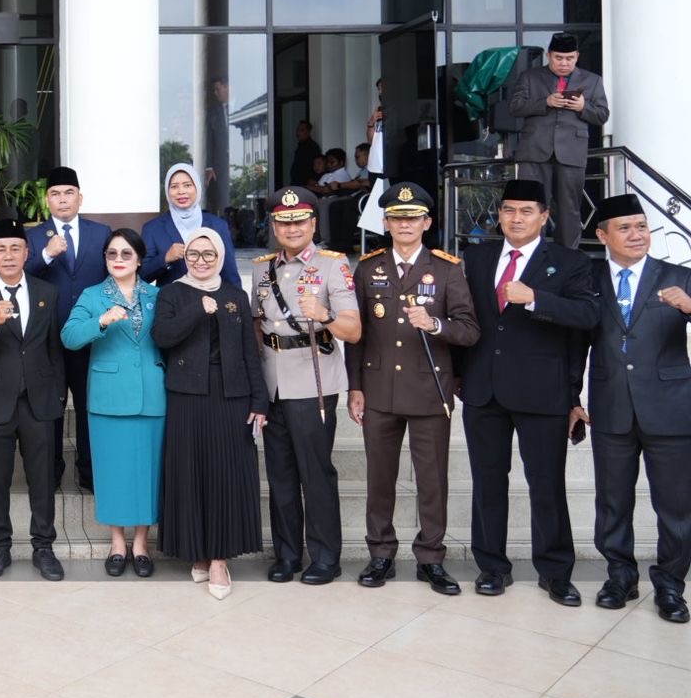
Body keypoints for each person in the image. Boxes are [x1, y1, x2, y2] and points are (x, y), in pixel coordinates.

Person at [458, 179, 600, 604]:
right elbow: (465, 317)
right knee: (487, 481)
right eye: (508, 210)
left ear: (544, 216)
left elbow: (588, 315)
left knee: (546, 484)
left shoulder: (570, 261)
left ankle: (555, 572)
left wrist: (536, 297)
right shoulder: (476, 257)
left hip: (543, 391)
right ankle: (491, 567)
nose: (516, 218)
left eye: (526, 211)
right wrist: (459, 377)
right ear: (499, 215)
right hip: (483, 390)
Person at [345, 183, 480, 596]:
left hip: (429, 390)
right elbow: (357, 334)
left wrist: (435, 324)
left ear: (427, 222)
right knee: (379, 478)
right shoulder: (368, 267)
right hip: (379, 389)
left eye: (413, 217)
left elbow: (470, 330)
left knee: (432, 480)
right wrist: (355, 387)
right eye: (397, 218)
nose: (405, 224)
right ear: (386, 223)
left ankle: (431, 557)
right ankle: (381, 552)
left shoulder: (447, 268)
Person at [584, 194, 691, 623]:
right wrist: (572, 398)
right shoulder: (589, 279)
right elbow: (572, 343)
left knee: (676, 506)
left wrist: (689, 306)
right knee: (612, 501)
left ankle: (671, 586)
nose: (636, 235)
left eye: (642, 226)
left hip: (670, 408)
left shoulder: (679, 276)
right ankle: (620, 577)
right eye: (625, 228)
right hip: (611, 406)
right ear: (602, 235)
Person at [252, 186, 361, 585]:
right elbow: (257, 325)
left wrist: (325, 314)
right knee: (280, 476)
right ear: (274, 226)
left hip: (313, 381)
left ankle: (326, 557)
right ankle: (287, 555)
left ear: (313, 224)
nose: (292, 228)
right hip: (273, 383)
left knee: (315, 474)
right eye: (284, 222)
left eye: (299, 221)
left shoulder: (333, 265)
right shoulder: (262, 269)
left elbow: (353, 329)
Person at [155, 227, 268, 600]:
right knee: (191, 474)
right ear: (185, 257)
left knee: (224, 475)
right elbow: (162, 337)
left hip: (230, 394)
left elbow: (250, 351)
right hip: (186, 395)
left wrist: (259, 401)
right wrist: (196, 310)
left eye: (209, 254)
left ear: (220, 257)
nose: (201, 261)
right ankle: (198, 551)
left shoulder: (235, 295)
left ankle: (219, 558)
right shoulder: (172, 293)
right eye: (193, 254)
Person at [0, 217, 67, 581]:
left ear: (27, 253)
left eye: (15, 248)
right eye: (1, 249)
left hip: (39, 401)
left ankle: (44, 547)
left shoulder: (46, 292)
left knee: (42, 479)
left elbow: (54, 349)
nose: (8, 255)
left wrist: (57, 395)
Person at [61, 228, 165, 579]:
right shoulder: (93, 295)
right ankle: (117, 543)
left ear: (140, 259)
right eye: (112, 254)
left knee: (148, 471)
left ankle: (141, 544)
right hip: (108, 397)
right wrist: (101, 321)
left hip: (152, 394)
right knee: (113, 472)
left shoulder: (157, 295)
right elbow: (69, 336)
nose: (118, 260)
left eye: (126, 254)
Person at [25, 165, 110, 490]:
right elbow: (20, 276)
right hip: (48, 340)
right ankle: (51, 472)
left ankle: (89, 472)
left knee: (90, 407)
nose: (63, 199)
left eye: (69, 193)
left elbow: (112, 277)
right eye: (56, 194)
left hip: (90, 338)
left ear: (80, 198)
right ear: (47, 200)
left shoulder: (100, 233)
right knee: (51, 409)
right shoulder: (33, 237)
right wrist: (46, 255)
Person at [509, 31, 610, 248]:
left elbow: (602, 115)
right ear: (549, 56)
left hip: (571, 152)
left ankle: (567, 257)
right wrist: (545, 101)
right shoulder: (530, 76)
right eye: (559, 58)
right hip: (534, 151)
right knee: (530, 206)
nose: (564, 63)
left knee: (569, 209)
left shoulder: (592, 80)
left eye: (569, 58)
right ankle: (530, 254)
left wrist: (583, 107)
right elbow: (515, 107)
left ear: (577, 56)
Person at [141, 162, 240, 289]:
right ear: (167, 191)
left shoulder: (217, 225)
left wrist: (237, 299)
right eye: (174, 186)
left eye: (187, 185)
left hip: (212, 299)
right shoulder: (153, 229)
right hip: (170, 300)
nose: (181, 191)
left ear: (197, 188)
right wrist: (165, 258)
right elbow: (142, 275)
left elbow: (230, 273)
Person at [287, 120, 322, 188]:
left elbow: (310, 167)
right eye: (297, 130)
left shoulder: (312, 147)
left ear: (308, 132)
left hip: (305, 184)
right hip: (297, 183)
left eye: (302, 130)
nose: (298, 133)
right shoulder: (301, 146)